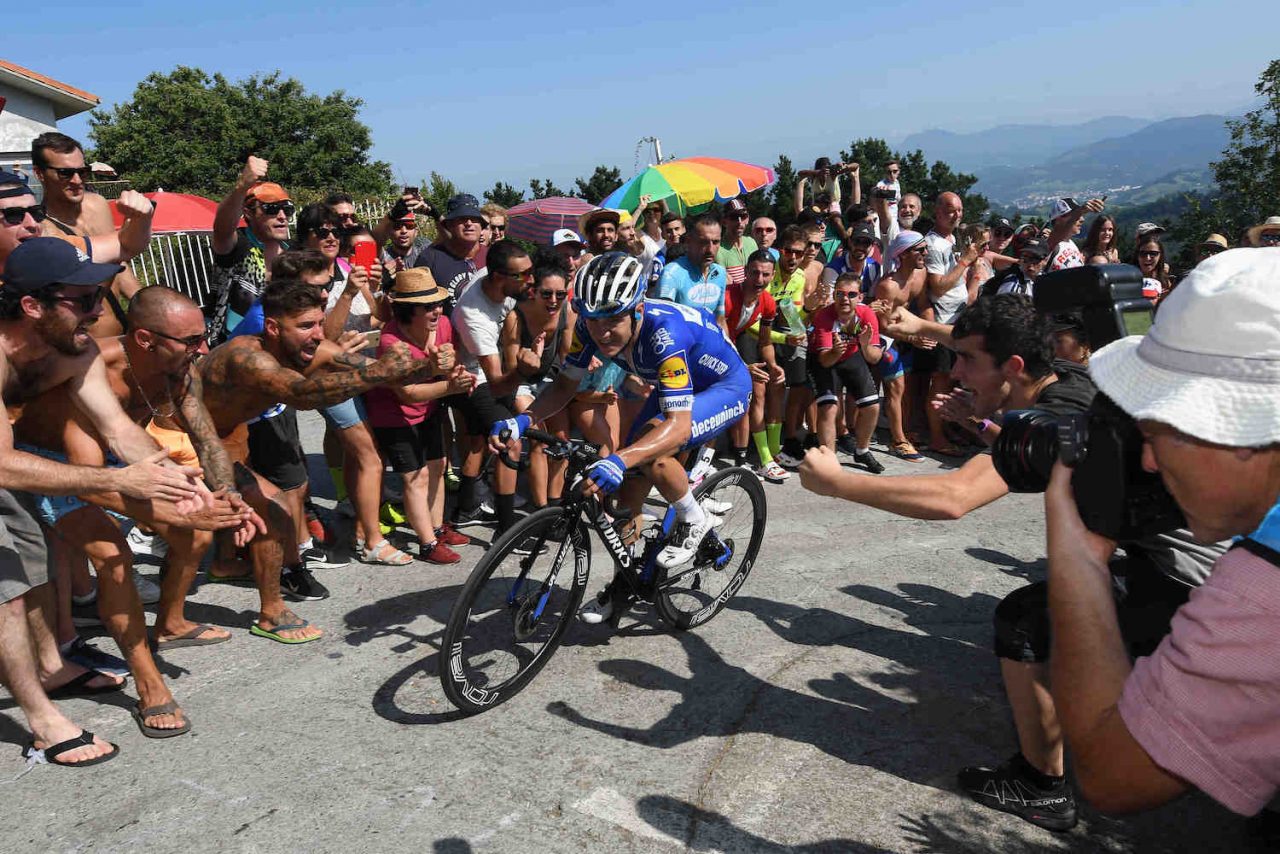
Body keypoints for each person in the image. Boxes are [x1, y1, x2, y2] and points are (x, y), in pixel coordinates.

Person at [807, 294, 1224, 832]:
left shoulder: (1063, 413)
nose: (955, 373)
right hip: (1184, 565)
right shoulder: (1069, 378)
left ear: (1015, 368)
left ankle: (1041, 786)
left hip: (1194, 587)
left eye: (967, 362)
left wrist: (840, 484)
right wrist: (923, 331)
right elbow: (1039, 438)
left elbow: (954, 497)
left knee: (1025, 621)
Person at [1046, 248, 1280, 820]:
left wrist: (1078, 559)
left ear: (1241, 430)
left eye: (1157, 430)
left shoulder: (1267, 588)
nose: (1147, 462)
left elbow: (1113, 775)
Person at [0, 238, 211, 759]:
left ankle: (51, 667)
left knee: (31, 568)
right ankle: (44, 719)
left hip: (21, 458)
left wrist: (182, 480)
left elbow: (118, 430)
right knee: (6, 590)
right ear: (33, 306)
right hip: (8, 458)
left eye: (100, 297)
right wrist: (119, 484)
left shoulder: (75, 349)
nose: (98, 312)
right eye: (84, 300)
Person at [490, 252, 751, 625]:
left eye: (614, 318)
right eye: (594, 320)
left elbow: (677, 426)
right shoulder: (588, 329)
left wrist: (619, 458)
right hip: (673, 388)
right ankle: (625, 584)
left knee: (654, 455)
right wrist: (522, 420)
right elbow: (565, 385)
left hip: (724, 386)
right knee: (623, 501)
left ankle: (696, 520)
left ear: (637, 308)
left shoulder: (663, 333)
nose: (602, 331)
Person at [198, 278, 449, 604]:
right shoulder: (249, 358)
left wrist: (428, 365)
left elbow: (385, 372)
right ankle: (277, 600)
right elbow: (300, 395)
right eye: (305, 326)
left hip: (232, 433)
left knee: (283, 494)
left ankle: (225, 563)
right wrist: (381, 373)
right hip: (190, 436)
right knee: (273, 506)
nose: (318, 333)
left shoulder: (315, 347)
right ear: (273, 328)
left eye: (319, 322)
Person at [364, 269, 474, 564]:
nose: (437, 310)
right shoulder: (391, 342)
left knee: (438, 465)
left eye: (438, 303)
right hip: (393, 415)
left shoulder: (445, 325)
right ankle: (427, 544)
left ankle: (437, 528)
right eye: (428, 306)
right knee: (416, 476)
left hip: (430, 407)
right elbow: (407, 393)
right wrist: (451, 385)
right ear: (409, 310)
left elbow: (451, 364)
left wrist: (457, 373)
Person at [448, 241, 537, 545]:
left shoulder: (498, 280)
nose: (531, 280)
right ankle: (507, 529)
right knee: (509, 440)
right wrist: (524, 371)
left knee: (476, 443)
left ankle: (465, 509)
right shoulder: (475, 317)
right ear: (500, 276)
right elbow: (497, 383)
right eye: (524, 275)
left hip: (482, 370)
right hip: (472, 379)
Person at [31, 133, 148, 338]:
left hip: (128, 331)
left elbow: (122, 265)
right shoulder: (43, 230)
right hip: (93, 340)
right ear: (39, 173)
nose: (77, 181)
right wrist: (130, 232)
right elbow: (88, 295)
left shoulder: (97, 204)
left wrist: (149, 309)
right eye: (65, 173)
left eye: (82, 172)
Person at [501, 261, 574, 512]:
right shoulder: (516, 317)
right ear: (534, 291)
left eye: (560, 294)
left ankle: (554, 503)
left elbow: (567, 361)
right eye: (547, 294)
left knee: (562, 439)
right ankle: (541, 508)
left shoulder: (568, 312)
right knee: (539, 440)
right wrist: (529, 360)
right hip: (519, 382)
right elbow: (511, 373)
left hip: (548, 380)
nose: (554, 300)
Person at [920, 192, 981, 456]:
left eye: (959, 210)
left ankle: (949, 429)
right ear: (937, 211)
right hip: (943, 323)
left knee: (957, 383)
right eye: (949, 210)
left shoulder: (951, 239)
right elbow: (938, 287)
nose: (955, 214)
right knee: (941, 383)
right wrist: (966, 261)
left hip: (958, 320)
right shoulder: (933, 244)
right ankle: (936, 437)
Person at [210, 156, 292, 342]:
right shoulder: (239, 245)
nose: (282, 216)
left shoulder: (294, 253)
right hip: (231, 349)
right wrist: (242, 186)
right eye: (271, 208)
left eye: (287, 209)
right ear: (248, 212)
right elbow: (221, 228)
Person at [807, 274, 884, 473]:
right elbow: (824, 360)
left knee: (872, 406)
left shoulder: (866, 314)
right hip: (824, 360)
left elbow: (874, 358)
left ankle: (862, 450)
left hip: (851, 356)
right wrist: (835, 351)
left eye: (851, 294)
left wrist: (866, 346)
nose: (845, 299)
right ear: (834, 295)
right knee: (829, 408)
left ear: (860, 297)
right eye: (840, 294)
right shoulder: (824, 316)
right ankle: (829, 461)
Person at [723, 250, 786, 481]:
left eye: (766, 275)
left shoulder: (768, 302)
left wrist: (773, 364)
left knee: (761, 387)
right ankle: (753, 457)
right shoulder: (728, 296)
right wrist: (741, 368)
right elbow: (718, 339)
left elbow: (765, 341)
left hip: (738, 340)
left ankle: (762, 458)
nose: (760, 280)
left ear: (772, 275)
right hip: (713, 346)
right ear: (746, 272)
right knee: (749, 391)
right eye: (755, 273)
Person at [871, 231, 928, 463]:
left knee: (907, 390)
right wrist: (915, 339)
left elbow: (924, 305)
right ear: (904, 255)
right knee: (895, 388)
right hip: (887, 339)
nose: (925, 253)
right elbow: (883, 326)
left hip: (905, 334)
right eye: (920, 250)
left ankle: (901, 430)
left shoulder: (921, 275)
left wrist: (930, 330)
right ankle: (898, 440)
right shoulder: (888, 286)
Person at [760, 227, 813, 469]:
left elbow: (795, 315)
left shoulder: (800, 276)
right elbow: (753, 325)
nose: (792, 257)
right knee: (773, 387)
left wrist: (810, 310)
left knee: (800, 384)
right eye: (788, 251)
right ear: (779, 249)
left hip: (785, 332)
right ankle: (766, 448)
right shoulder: (767, 273)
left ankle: (789, 438)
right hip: (759, 334)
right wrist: (784, 339)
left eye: (798, 253)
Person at [411, 194, 486, 312]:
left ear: (482, 225)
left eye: (474, 218)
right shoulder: (430, 259)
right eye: (462, 218)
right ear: (449, 225)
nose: (469, 223)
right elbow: (415, 307)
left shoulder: (494, 256)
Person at [657, 212, 728, 332]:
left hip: (710, 345)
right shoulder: (671, 274)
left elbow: (720, 320)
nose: (710, 250)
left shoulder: (720, 273)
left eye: (715, 242)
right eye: (703, 242)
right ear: (688, 241)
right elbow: (663, 325)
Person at [1044, 197, 1104, 273]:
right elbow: (1056, 236)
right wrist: (1081, 210)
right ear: (1058, 220)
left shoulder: (1071, 244)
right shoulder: (1048, 244)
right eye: (1075, 216)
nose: (1082, 219)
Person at [979, 238, 1049, 298]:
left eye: (1035, 258)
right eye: (1025, 257)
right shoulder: (1012, 283)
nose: (1029, 263)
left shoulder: (1046, 281)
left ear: (1045, 260)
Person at [715, 199, 759, 286]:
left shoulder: (751, 242)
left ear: (747, 219)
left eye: (743, 216)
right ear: (724, 221)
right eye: (734, 217)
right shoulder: (717, 248)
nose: (739, 222)